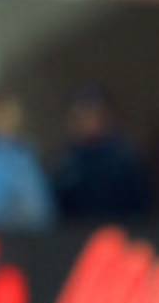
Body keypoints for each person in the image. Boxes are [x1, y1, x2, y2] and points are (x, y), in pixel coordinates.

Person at [53, 85, 151, 221]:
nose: (87, 122)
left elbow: (141, 209)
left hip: (119, 229)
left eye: (92, 115)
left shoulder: (125, 161)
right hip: (75, 231)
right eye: (80, 116)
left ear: (106, 118)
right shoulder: (65, 164)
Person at [0, 90, 55, 230]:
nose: (11, 119)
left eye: (13, 113)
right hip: (4, 234)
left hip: (39, 234)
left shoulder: (26, 153)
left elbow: (40, 199)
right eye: (4, 113)